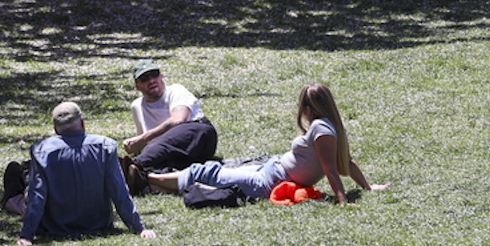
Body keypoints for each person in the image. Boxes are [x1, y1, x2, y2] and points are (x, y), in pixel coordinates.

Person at [148, 83, 389, 204]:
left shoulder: (321, 129)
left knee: (208, 172)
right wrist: (366, 187)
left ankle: (148, 179)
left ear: (308, 108)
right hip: (273, 168)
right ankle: (151, 180)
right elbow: (345, 161)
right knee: (217, 170)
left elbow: (332, 167)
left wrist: (343, 200)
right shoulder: (330, 126)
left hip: (269, 181)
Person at [14, 102, 157, 246]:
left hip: (55, 228)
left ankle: (10, 200)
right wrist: (139, 228)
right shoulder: (105, 146)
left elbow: (37, 195)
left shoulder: (41, 151)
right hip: (97, 225)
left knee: (15, 172)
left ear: (56, 130)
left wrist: (27, 235)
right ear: (82, 123)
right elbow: (119, 191)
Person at [122, 60, 217, 184]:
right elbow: (145, 146)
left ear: (162, 77)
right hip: (173, 153)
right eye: (144, 78)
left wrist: (142, 138)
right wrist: (133, 145)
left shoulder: (175, 91)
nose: (151, 81)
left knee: (161, 145)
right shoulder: (137, 106)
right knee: (161, 165)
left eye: (154, 74)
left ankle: (127, 169)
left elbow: (179, 120)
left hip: (199, 136)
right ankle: (139, 178)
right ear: (137, 86)